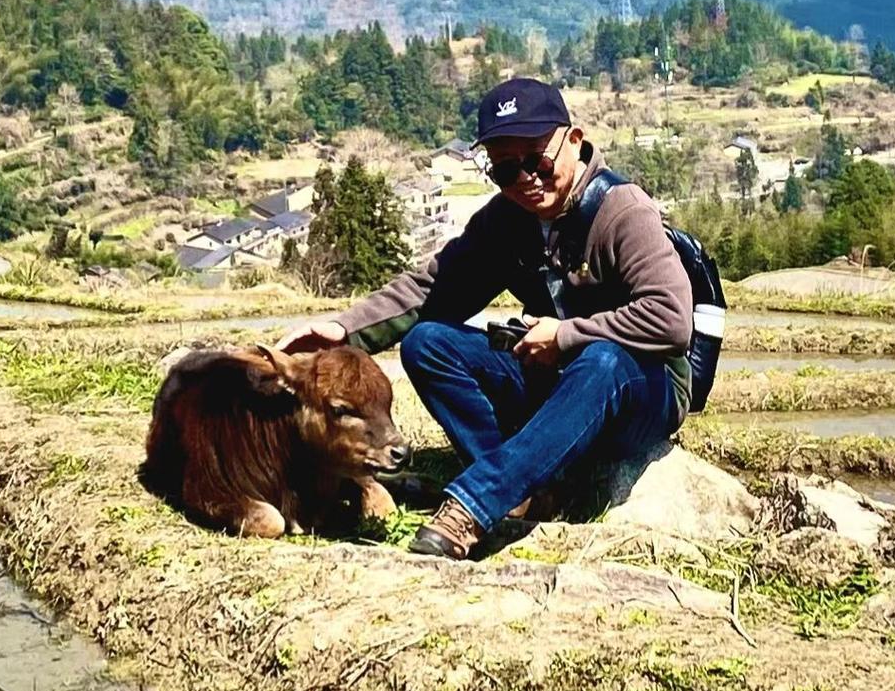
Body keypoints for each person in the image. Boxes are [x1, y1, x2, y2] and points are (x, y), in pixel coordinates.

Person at [276, 78, 692, 560]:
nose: (526, 179)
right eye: (506, 169)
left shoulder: (622, 210)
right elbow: (434, 286)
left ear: (574, 141)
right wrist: (345, 330)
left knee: (602, 360)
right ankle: (524, 489)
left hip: (640, 389)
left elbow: (671, 318)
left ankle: (476, 504)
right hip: (556, 376)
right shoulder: (507, 220)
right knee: (428, 343)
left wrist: (565, 335)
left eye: (537, 161)